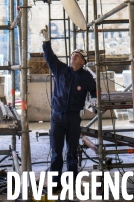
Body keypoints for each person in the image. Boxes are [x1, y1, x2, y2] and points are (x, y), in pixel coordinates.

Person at [41, 25, 96, 190]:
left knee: (72, 151)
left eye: (77, 55)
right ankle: (55, 183)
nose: (73, 56)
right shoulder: (61, 70)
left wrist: (94, 101)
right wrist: (46, 41)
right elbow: (49, 57)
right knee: (56, 151)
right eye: (73, 54)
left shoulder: (86, 77)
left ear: (83, 61)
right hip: (57, 116)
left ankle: (71, 183)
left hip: (73, 118)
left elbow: (94, 91)